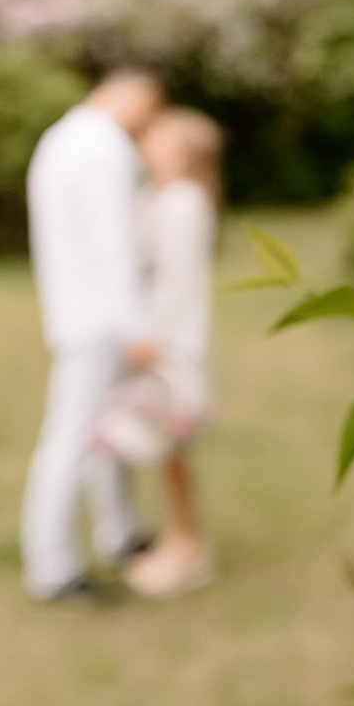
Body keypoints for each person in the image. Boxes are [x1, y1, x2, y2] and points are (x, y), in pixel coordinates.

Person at [19, 67, 163, 600]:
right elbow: (114, 242)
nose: (149, 125)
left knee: (107, 432)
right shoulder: (104, 147)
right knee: (74, 438)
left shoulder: (61, 137)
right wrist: (136, 325)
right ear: (133, 94)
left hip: (75, 308)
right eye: (150, 112)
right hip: (103, 317)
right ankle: (52, 567)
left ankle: (119, 532)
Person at [118, 107, 222, 597]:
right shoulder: (155, 197)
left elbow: (176, 281)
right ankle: (180, 539)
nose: (148, 139)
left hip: (172, 345)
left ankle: (189, 545)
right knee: (165, 450)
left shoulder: (184, 201)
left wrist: (153, 338)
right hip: (157, 339)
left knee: (172, 446)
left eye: (160, 135)